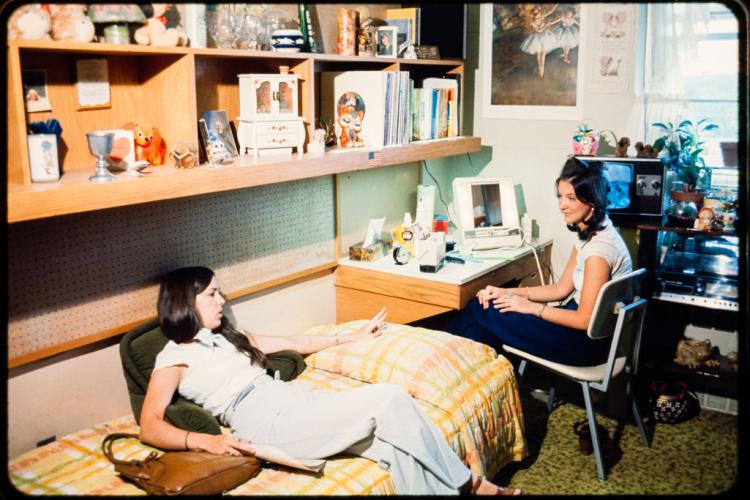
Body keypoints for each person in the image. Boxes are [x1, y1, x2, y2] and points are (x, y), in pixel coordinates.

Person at [139, 266, 521, 495]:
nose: (221, 300)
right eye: (212, 294)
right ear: (186, 304)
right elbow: (149, 425)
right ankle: (471, 485)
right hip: (263, 422)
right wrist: (204, 440)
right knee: (388, 397)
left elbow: (292, 342)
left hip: (291, 402)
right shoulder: (174, 357)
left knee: (391, 449)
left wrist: (351, 337)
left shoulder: (228, 336)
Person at [448, 157, 632, 367]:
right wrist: (507, 293)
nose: (563, 205)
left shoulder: (599, 251)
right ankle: (486, 382)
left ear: (592, 201)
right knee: (480, 325)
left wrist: (532, 308)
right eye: (560, 196)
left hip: (583, 344)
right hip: (579, 332)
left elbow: (585, 319)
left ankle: (444, 371)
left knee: (479, 308)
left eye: (571, 198)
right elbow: (561, 289)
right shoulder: (594, 233)